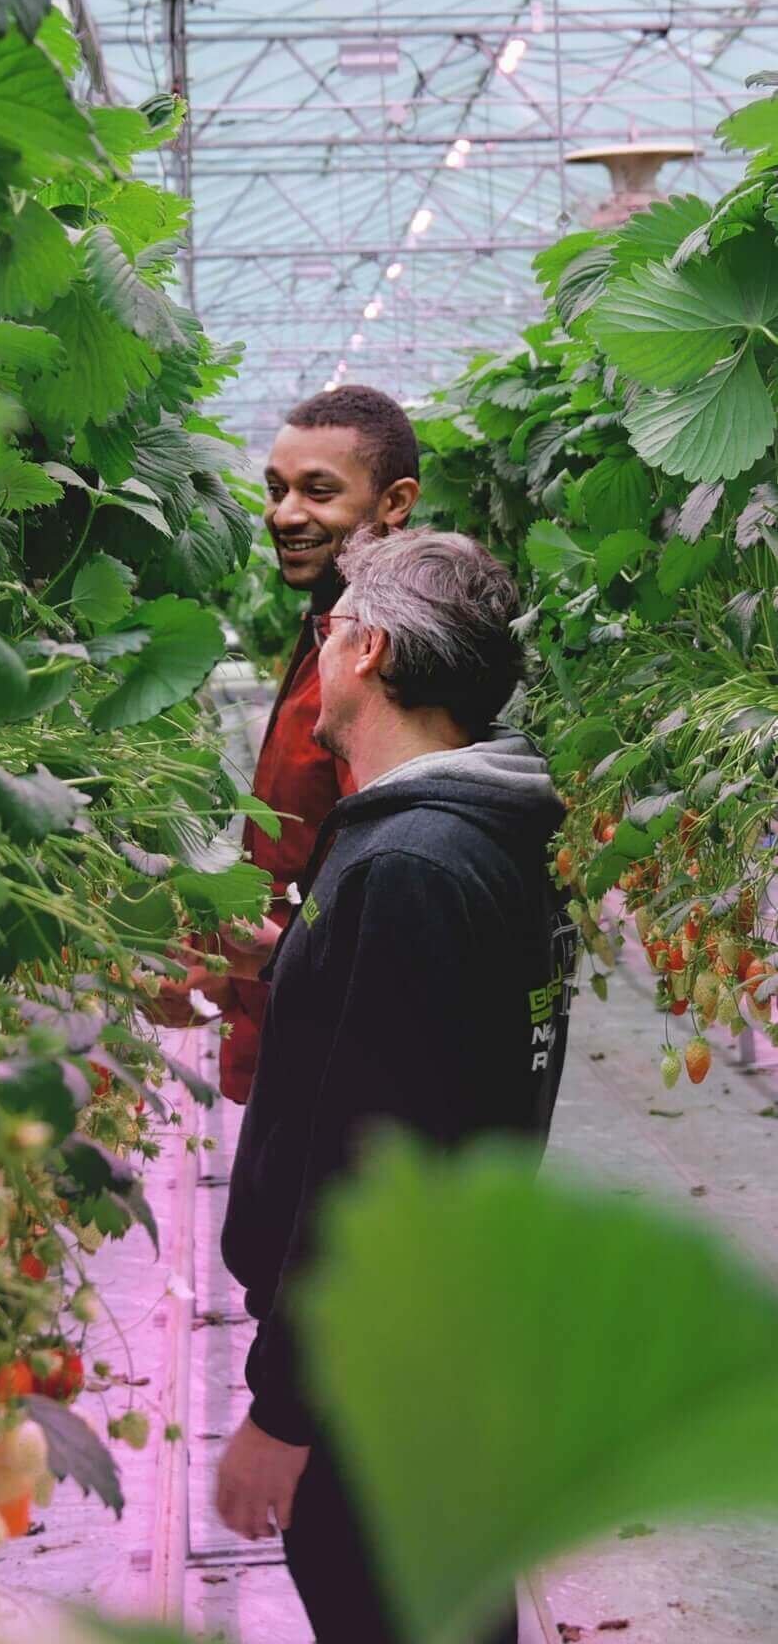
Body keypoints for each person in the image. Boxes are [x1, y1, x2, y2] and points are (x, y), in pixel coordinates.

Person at [213, 527, 574, 1644]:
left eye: (330, 633)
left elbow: (372, 1157)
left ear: (364, 646)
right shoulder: (464, 839)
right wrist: (280, 967)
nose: (317, 655)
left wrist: (284, 1406)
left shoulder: (408, 865)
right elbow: (416, 1051)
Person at [157, 385, 421, 1105]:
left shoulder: (383, 662)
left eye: (318, 491)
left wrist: (259, 964)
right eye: (275, 490)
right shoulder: (329, 637)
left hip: (346, 1067)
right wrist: (225, 967)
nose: (283, 514)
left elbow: (391, 898)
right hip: (297, 1035)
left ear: (395, 502)